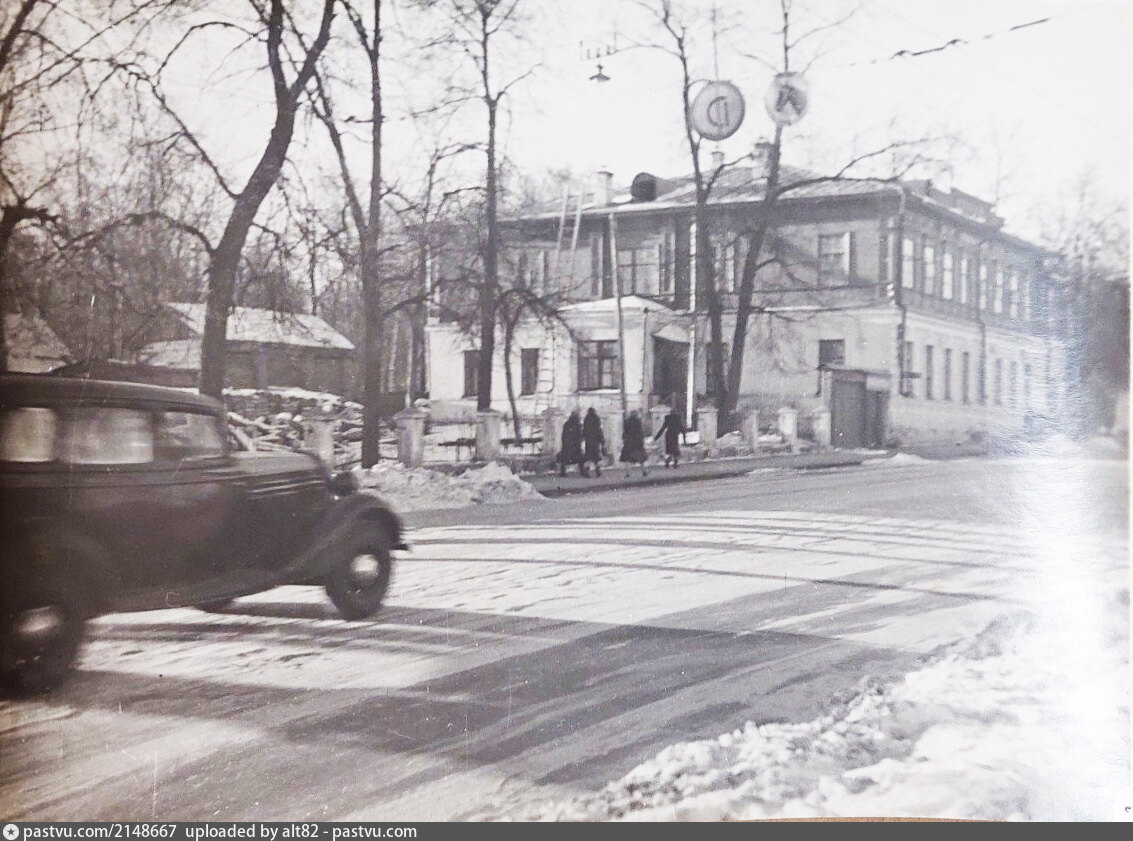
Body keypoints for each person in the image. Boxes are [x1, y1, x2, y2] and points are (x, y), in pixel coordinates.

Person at [619, 410, 648, 477]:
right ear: (636, 415)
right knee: (641, 458)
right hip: (637, 443)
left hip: (628, 443)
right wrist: (642, 441)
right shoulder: (638, 421)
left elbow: (624, 432)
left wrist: (624, 440)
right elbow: (640, 432)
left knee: (628, 459)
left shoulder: (626, 422)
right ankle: (644, 471)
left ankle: (628, 473)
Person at [558, 410, 584, 476]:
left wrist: (564, 442)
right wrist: (580, 440)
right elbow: (580, 434)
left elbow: (564, 435)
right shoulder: (578, 424)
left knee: (565, 458)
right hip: (575, 444)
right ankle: (582, 471)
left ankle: (562, 472)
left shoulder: (567, 424)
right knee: (579, 458)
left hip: (567, 444)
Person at [582, 407, 605, 478]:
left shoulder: (586, 419)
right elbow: (599, 430)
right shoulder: (596, 418)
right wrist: (602, 441)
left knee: (588, 457)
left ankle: (586, 471)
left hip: (588, 441)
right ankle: (598, 471)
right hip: (595, 441)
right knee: (596, 457)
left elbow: (584, 430)